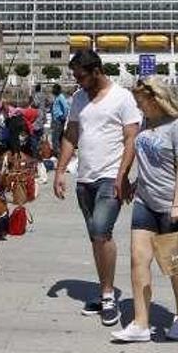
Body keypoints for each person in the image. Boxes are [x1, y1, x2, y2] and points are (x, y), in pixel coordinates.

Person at [53, 50, 141, 327]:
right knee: (95, 236)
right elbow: (71, 134)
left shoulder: (122, 97)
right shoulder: (79, 98)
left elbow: (131, 139)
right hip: (85, 178)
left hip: (110, 177)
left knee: (102, 231)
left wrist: (122, 175)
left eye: (81, 76)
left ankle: (108, 295)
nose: (78, 82)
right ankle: (105, 290)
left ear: (96, 71)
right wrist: (59, 171)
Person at [111, 77, 178, 343]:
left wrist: (177, 203)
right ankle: (140, 323)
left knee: (177, 266)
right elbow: (149, 160)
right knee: (138, 258)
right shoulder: (148, 124)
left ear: (155, 99)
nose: (139, 108)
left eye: (141, 103)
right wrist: (135, 183)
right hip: (145, 202)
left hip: (176, 204)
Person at [50, 84, 69, 155]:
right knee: (58, 137)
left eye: (53, 89)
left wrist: (63, 116)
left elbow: (66, 107)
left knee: (55, 137)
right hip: (56, 119)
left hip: (58, 119)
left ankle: (57, 153)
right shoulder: (57, 97)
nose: (52, 90)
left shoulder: (61, 97)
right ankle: (59, 151)